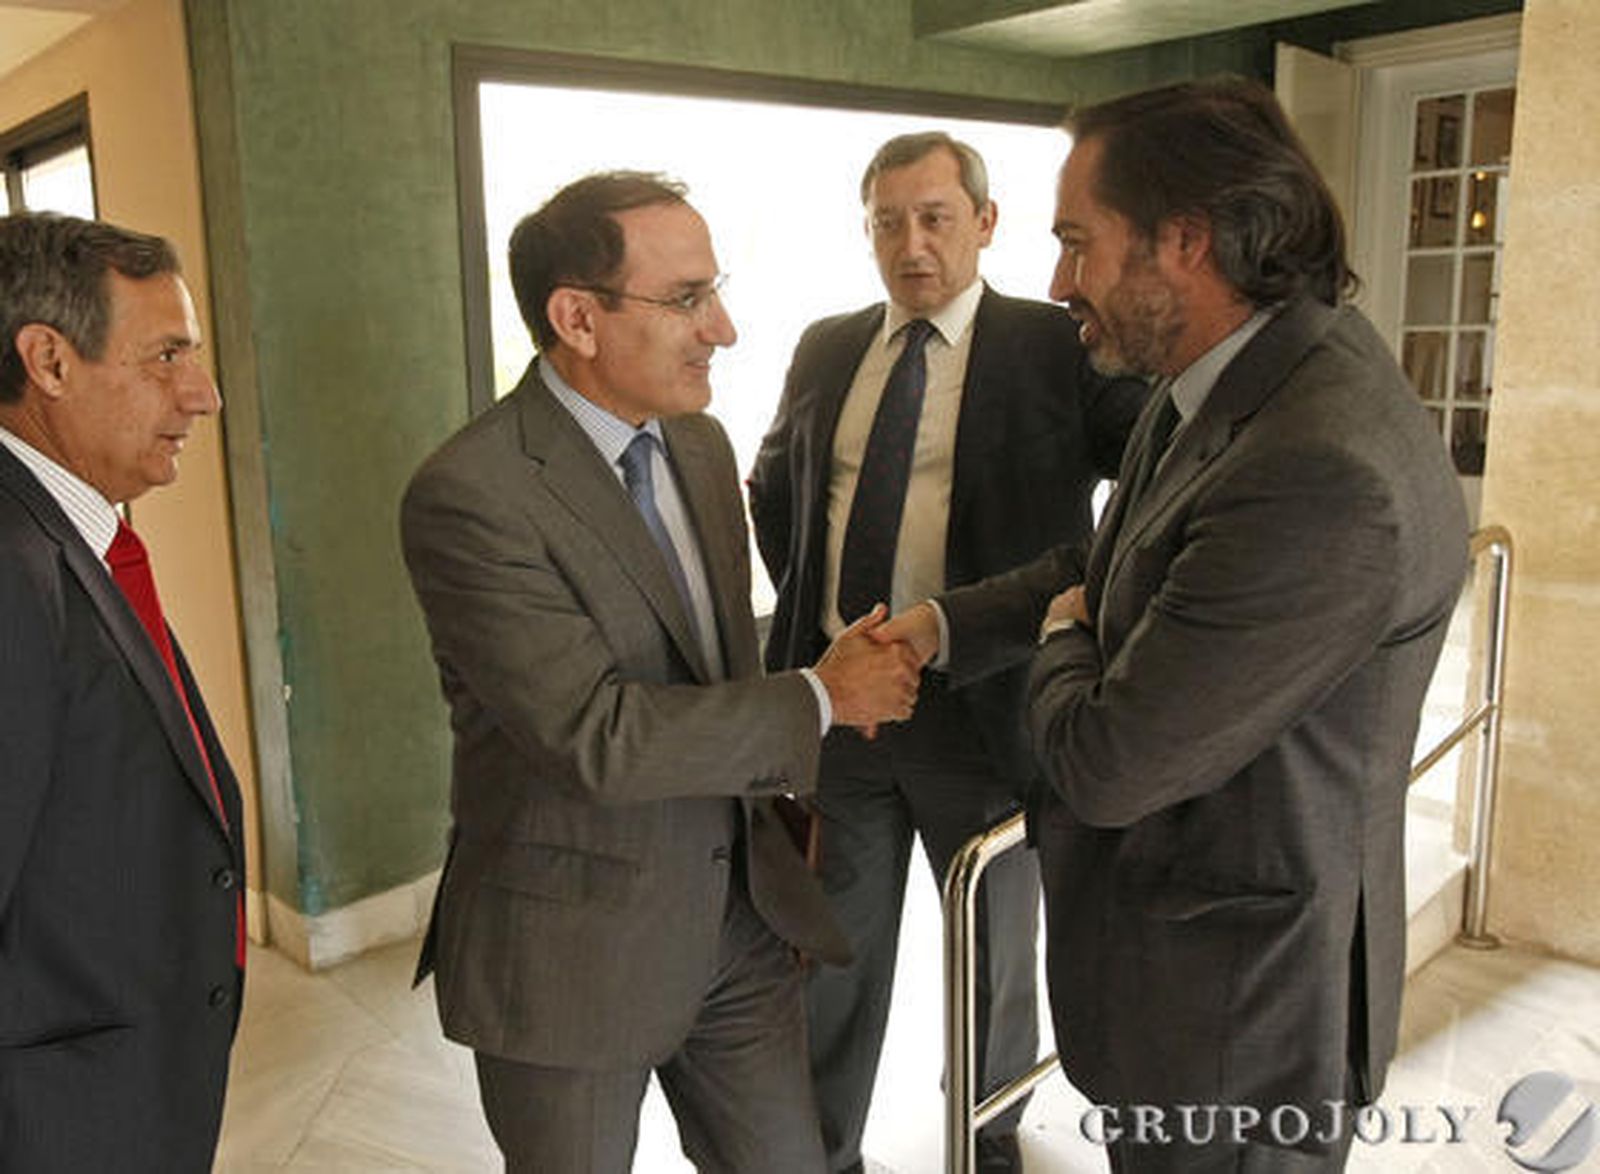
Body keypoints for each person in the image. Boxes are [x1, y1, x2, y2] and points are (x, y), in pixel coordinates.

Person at [883, 79, 1471, 1171]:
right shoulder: (1228, 375)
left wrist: (1064, 641)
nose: (1057, 280)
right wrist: (939, 624)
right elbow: (1109, 566)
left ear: (1184, 242)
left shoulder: (1315, 465)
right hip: (1187, 981)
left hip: (1237, 1021)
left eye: (1076, 242)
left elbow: (1105, 760)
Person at [399, 171, 922, 1174]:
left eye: (712, 290)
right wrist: (819, 696)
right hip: (571, 950)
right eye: (686, 298)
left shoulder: (698, 442)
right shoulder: (471, 494)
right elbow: (594, 737)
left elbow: (716, 661)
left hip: (740, 926)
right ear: (576, 318)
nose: (721, 327)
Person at [749, 131, 1146, 1173]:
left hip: (989, 707)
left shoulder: (1056, 342)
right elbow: (780, 489)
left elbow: (1157, 488)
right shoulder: (828, 345)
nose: (910, 243)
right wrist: (820, 628)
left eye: (932, 217)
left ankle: (988, 1140)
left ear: (983, 221)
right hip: (845, 709)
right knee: (833, 943)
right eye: (888, 221)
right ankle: (824, 1149)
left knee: (993, 957)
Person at [0, 212, 244, 1171]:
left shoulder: (70, 532)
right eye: (167, 356)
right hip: (58, 1121)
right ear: (49, 362)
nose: (204, 394)